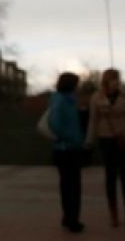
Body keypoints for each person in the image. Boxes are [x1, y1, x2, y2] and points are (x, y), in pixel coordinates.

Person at [85, 68, 125, 227]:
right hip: (106, 138)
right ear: (106, 81)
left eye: (118, 79)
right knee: (110, 176)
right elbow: (93, 120)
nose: (116, 82)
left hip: (124, 137)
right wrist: (89, 140)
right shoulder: (97, 97)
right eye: (113, 79)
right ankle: (113, 215)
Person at [50, 72, 86, 233]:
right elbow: (55, 124)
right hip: (67, 149)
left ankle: (68, 217)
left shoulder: (68, 100)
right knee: (72, 186)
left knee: (67, 185)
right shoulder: (61, 101)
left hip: (68, 148)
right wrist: (71, 137)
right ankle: (72, 220)